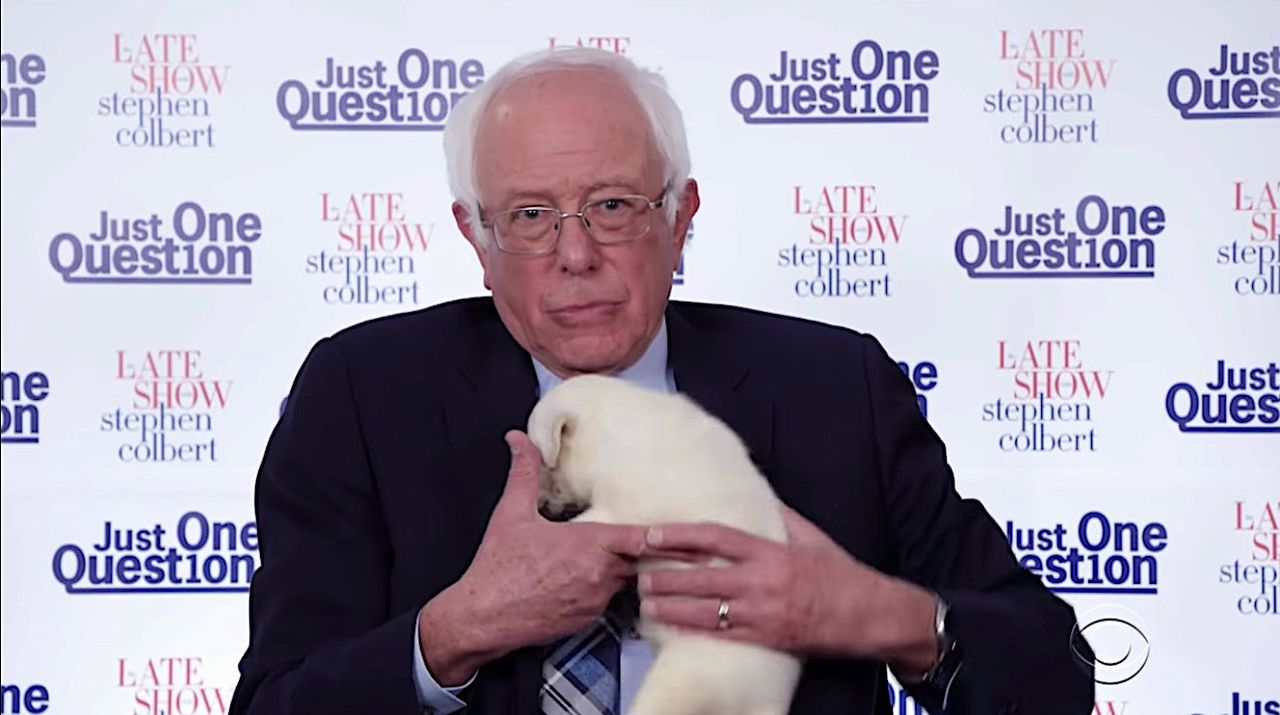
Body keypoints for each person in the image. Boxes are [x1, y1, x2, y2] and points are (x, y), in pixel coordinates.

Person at [229, 47, 1094, 715]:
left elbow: (1055, 676)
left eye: (613, 204)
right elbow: (274, 702)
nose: (575, 254)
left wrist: (874, 612)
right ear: (474, 235)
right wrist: (459, 630)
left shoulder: (838, 391)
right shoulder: (362, 393)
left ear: (681, 219)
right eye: (530, 216)